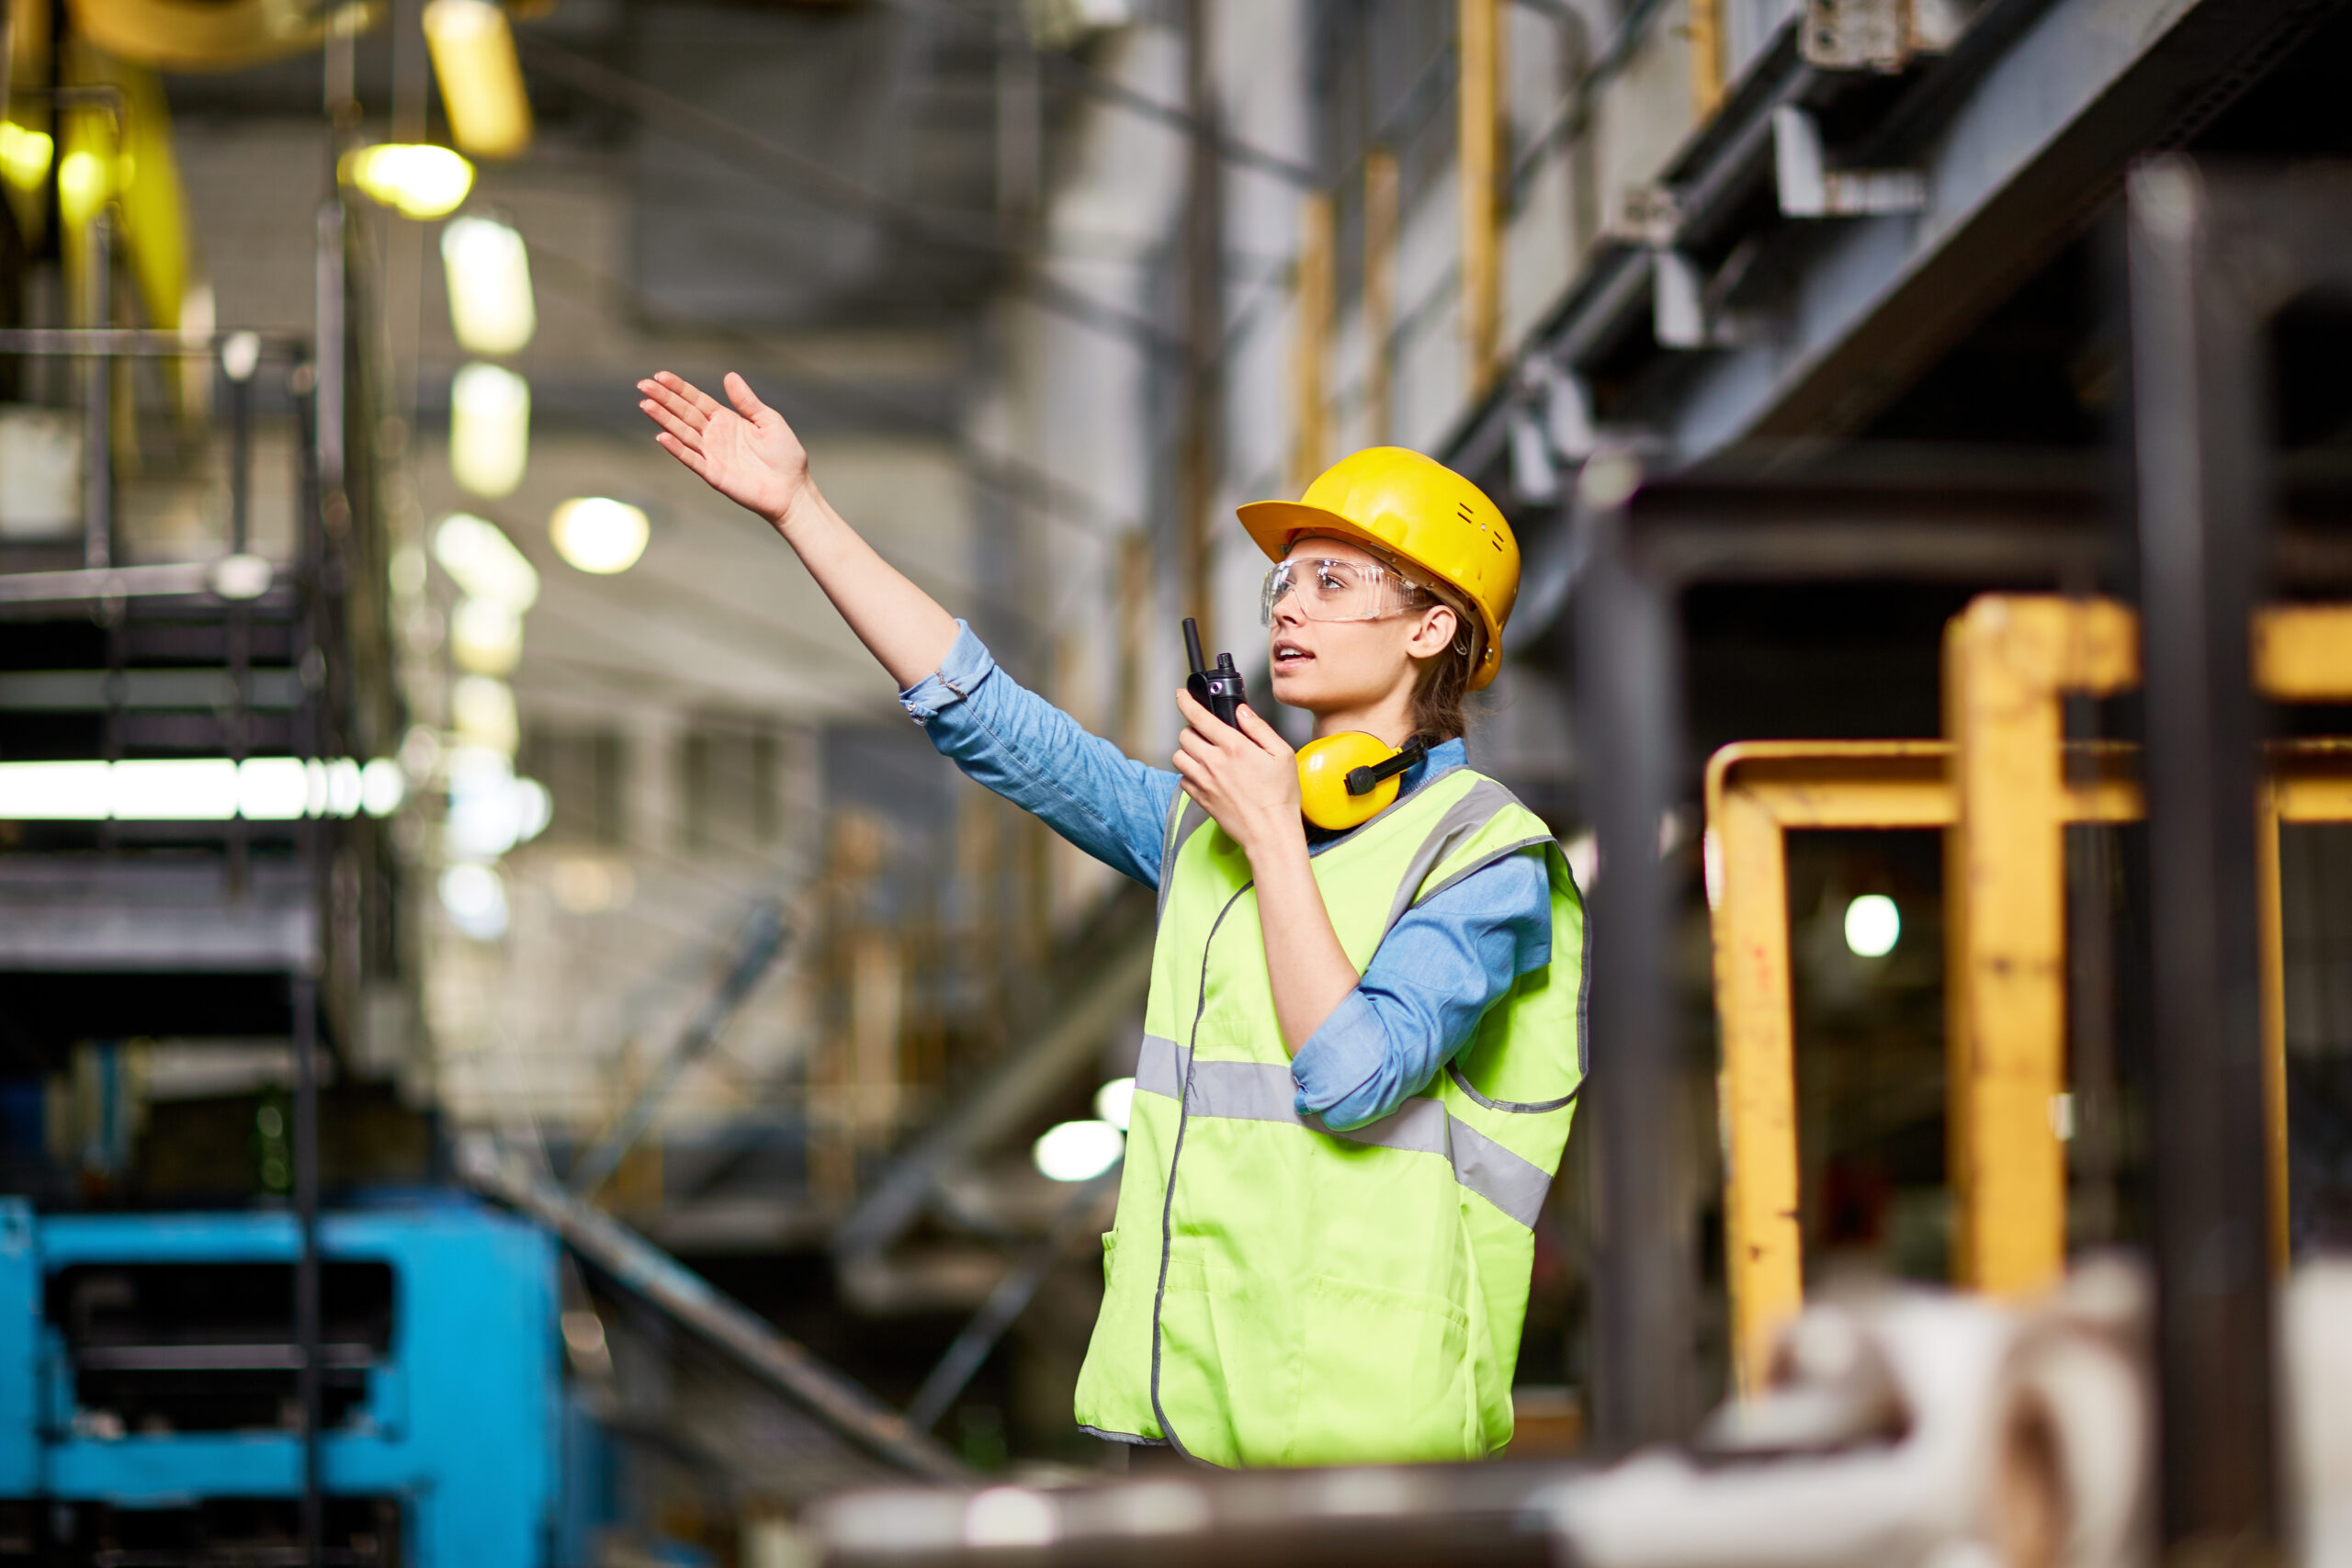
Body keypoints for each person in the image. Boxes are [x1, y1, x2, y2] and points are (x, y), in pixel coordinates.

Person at [636, 370, 1586, 1468]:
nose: (1284, 604)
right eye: (1282, 579)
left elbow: (1351, 1075)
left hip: (1360, 1439)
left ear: (1429, 627)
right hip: (1191, 1410)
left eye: (1330, 579)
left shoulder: (1482, 856)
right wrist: (801, 510)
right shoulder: (1207, 829)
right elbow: (990, 720)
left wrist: (1275, 834)